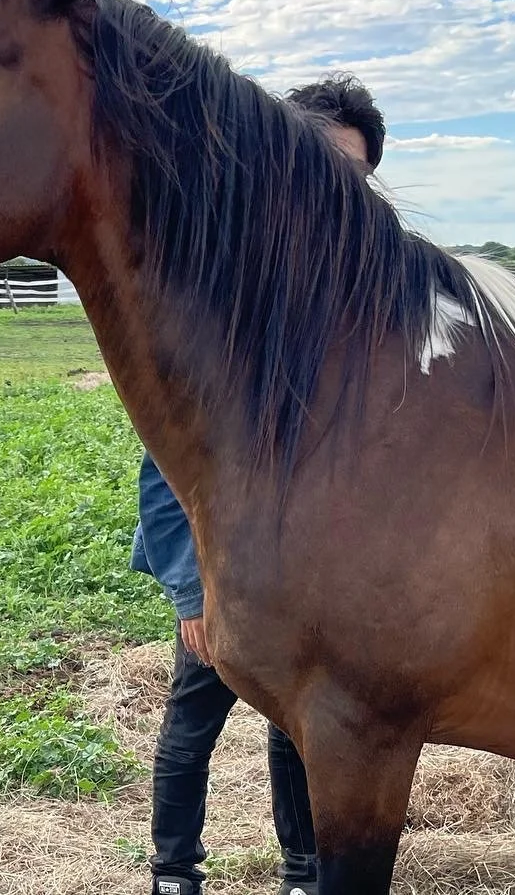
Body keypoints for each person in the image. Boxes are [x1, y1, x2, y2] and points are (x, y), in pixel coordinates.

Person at [131, 74, 387, 895]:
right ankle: (175, 873)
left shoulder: (357, 297)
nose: (342, 189)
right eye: (327, 164)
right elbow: (167, 458)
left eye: (359, 174)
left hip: (311, 572)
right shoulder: (229, 293)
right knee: (192, 720)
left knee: (299, 728)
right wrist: (189, 589)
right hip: (225, 566)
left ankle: (302, 871)